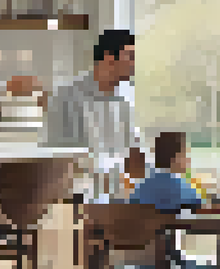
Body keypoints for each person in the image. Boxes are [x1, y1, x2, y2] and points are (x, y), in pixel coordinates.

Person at [44, 29, 146, 192]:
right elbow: (55, 159)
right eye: (130, 56)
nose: (135, 63)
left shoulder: (123, 104)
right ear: (108, 58)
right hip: (76, 195)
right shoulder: (66, 97)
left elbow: (133, 156)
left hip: (116, 195)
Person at [129, 131, 215, 269]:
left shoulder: (141, 186)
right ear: (176, 158)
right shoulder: (179, 186)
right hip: (167, 262)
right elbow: (203, 206)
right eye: (186, 154)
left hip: (135, 262)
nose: (188, 159)